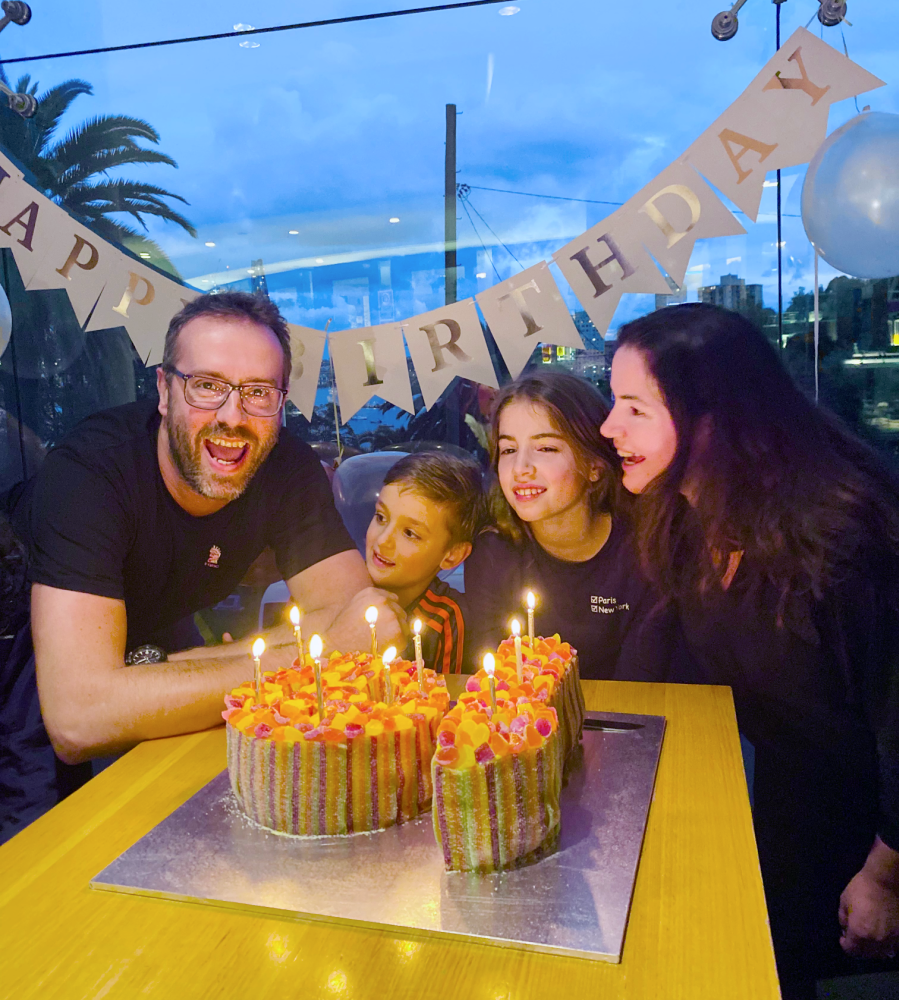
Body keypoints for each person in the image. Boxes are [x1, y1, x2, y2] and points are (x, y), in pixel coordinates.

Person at [600, 302, 899, 998]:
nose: (610, 427)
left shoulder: (842, 538)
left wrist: (884, 874)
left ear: (716, 418)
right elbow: (653, 649)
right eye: (613, 402)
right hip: (791, 805)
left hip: (875, 833)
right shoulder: (680, 518)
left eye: (635, 408)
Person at [7, 291, 404, 778]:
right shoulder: (90, 474)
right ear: (164, 390)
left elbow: (361, 622)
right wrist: (307, 656)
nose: (232, 416)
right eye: (207, 385)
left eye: (258, 391)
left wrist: (164, 671)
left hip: (156, 637)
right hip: (20, 643)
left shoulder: (286, 469)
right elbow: (77, 719)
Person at [463, 369, 685, 680]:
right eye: (509, 450)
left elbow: (644, 683)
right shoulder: (493, 553)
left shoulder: (646, 550)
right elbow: (491, 682)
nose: (521, 469)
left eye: (546, 448)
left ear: (594, 466)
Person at [364, 451, 483, 674]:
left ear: (452, 555)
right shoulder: (339, 584)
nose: (383, 540)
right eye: (381, 517)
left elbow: (443, 698)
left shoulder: (445, 617)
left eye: (409, 533)